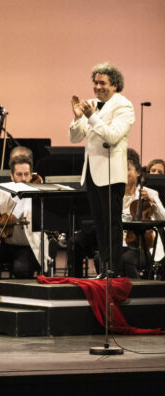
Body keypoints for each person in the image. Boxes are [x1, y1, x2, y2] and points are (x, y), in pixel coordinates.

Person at [69, 62, 135, 277]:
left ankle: (113, 268)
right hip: (92, 171)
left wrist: (91, 117)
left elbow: (113, 136)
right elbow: (75, 137)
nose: (97, 87)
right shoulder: (90, 105)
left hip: (110, 173)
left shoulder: (124, 106)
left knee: (111, 223)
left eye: (102, 83)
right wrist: (78, 117)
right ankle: (104, 267)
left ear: (114, 84)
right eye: (95, 83)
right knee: (99, 222)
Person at [0, 155, 44, 304]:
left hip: (26, 246)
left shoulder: (39, 194)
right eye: (19, 174)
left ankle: (19, 303)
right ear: (12, 176)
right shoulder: (0, 191)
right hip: (4, 243)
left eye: (26, 174)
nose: (23, 178)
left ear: (32, 175)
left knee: (21, 269)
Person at [122, 149, 165, 278]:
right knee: (100, 258)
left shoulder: (150, 193)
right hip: (121, 244)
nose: (123, 173)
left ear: (138, 173)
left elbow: (163, 218)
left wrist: (153, 204)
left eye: (127, 169)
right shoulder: (116, 196)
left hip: (144, 246)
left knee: (126, 260)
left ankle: (138, 292)